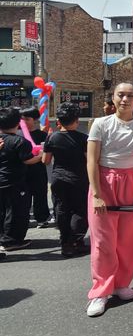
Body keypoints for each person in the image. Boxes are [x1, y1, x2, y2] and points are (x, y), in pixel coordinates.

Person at [86, 83, 133, 317]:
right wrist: (96, 195)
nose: (125, 99)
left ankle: (122, 283)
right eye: (120, 95)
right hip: (104, 181)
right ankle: (100, 291)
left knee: (128, 240)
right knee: (103, 242)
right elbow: (91, 161)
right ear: (113, 98)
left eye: (130, 95)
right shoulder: (100, 124)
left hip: (132, 182)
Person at [42, 102, 89, 258]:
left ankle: (65, 243)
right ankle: (75, 240)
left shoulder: (52, 137)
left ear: (58, 122)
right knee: (79, 210)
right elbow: (89, 160)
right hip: (79, 178)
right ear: (76, 120)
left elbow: (46, 160)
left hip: (58, 178)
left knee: (62, 209)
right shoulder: (84, 138)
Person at [0, 107, 42, 253]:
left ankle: (3, 237)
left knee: (3, 211)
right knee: (16, 212)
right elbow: (28, 160)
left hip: (2, 182)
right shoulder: (20, 141)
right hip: (15, 182)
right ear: (18, 123)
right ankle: (11, 240)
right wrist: (40, 156)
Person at [19, 108, 51, 227]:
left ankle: (42, 218)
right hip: (22, 171)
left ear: (35, 120)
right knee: (23, 197)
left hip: (38, 170)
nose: (24, 122)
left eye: (27, 119)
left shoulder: (42, 135)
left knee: (40, 195)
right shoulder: (18, 134)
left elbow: (47, 154)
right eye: (22, 119)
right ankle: (23, 218)